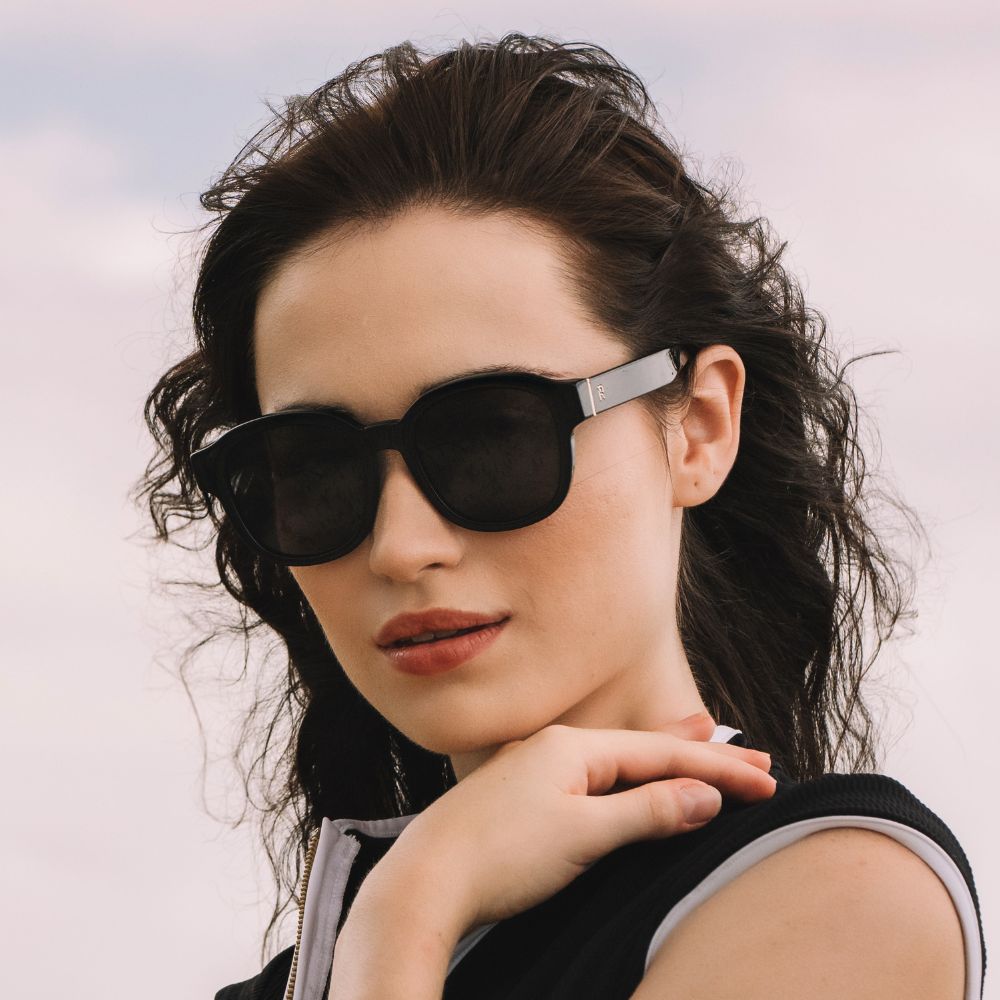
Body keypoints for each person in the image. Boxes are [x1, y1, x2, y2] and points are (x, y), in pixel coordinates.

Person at [134, 32, 986, 1000]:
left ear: (699, 428)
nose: (403, 547)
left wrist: (412, 905)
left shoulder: (836, 895)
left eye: (492, 438)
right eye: (315, 468)